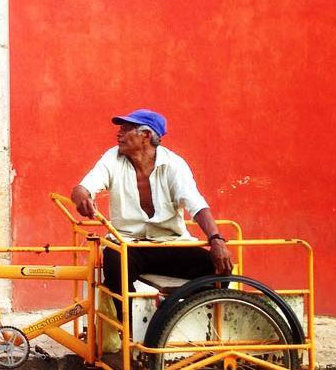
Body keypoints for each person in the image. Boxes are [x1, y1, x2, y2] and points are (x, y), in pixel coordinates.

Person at [70, 108, 233, 306]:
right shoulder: (112, 158)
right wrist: (83, 199)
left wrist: (216, 239)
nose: (118, 134)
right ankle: (127, 328)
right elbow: (82, 188)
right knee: (115, 267)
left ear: (145, 135)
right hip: (127, 244)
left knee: (219, 270)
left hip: (170, 243)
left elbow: (196, 204)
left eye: (126, 129)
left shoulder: (174, 165)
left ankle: (173, 308)